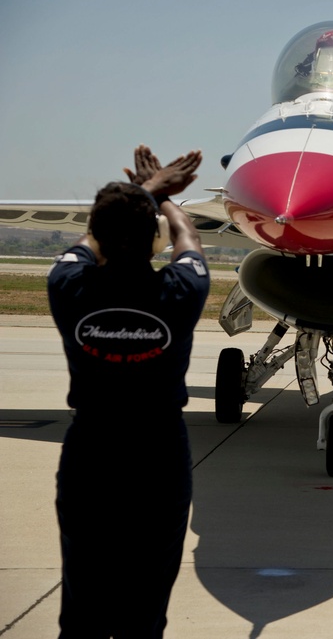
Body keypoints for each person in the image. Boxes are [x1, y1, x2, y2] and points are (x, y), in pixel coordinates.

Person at [47, 145, 209, 638]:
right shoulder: (183, 291)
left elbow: (89, 240)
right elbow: (189, 238)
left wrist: (145, 190)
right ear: (152, 240)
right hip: (157, 460)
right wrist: (164, 198)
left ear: (98, 233)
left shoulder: (66, 285)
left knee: (82, 606)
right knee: (146, 610)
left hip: (89, 457)